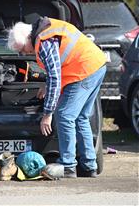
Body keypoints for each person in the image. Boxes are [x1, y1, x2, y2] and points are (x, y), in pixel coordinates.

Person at [7, 17, 106, 178]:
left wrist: (47, 113)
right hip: (96, 65)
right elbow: (58, 67)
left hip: (84, 70)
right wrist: (46, 85)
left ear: (27, 38)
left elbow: (55, 77)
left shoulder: (43, 41)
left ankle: (68, 166)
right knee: (81, 117)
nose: (25, 53)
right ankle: (89, 167)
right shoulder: (46, 31)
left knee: (65, 115)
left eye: (23, 49)